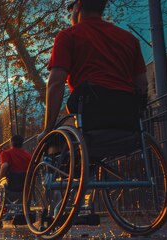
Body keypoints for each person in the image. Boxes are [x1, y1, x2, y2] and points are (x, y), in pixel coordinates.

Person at [39, 0, 148, 150]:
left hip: (91, 116)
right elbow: (142, 84)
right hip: (127, 120)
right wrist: (139, 114)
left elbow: (56, 83)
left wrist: (47, 129)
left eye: (71, 9)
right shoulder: (130, 39)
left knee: (58, 142)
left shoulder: (68, 36)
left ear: (78, 7)